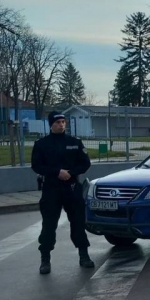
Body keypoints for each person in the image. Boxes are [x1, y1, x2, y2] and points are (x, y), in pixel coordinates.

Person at [31, 111, 95, 274]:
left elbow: (85, 164)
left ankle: (84, 255)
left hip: (72, 187)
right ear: (51, 124)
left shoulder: (75, 142)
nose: (61, 124)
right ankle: (45, 259)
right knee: (49, 225)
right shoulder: (42, 144)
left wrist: (71, 172)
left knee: (78, 223)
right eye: (58, 122)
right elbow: (37, 166)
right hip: (51, 189)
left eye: (63, 122)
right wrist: (56, 172)